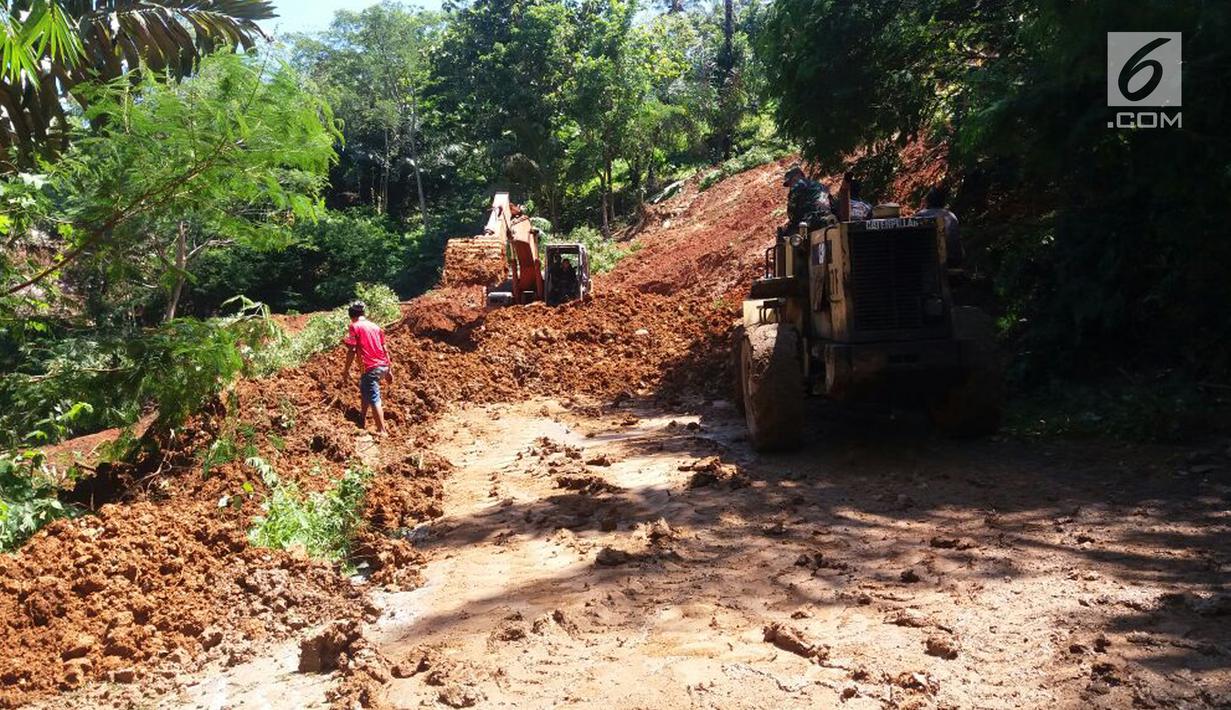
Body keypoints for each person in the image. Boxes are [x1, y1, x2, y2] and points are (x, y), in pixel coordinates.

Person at [340, 300, 393, 436]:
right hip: (383, 366)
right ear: (363, 313)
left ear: (351, 315)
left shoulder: (354, 326)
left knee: (374, 398)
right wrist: (389, 370)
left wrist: (345, 371)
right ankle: (361, 417)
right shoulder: (376, 327)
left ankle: (382, 430)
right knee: (365, 389)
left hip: (371, 368)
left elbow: (352, 349)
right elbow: (384, 348)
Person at [915, 186, 963, 267]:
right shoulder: (951, 216)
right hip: (953, 260)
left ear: (928, 200)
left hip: (929, 261)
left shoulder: (921, 215)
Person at [781, 164, 831, 235]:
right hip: (827, 217)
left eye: (790, 181)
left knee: (787, 234)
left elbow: (791, 211)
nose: (790, 185)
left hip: (811, 221)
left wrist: (792, 220)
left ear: (796, 176)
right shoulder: (819, 185)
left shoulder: (798, 185)